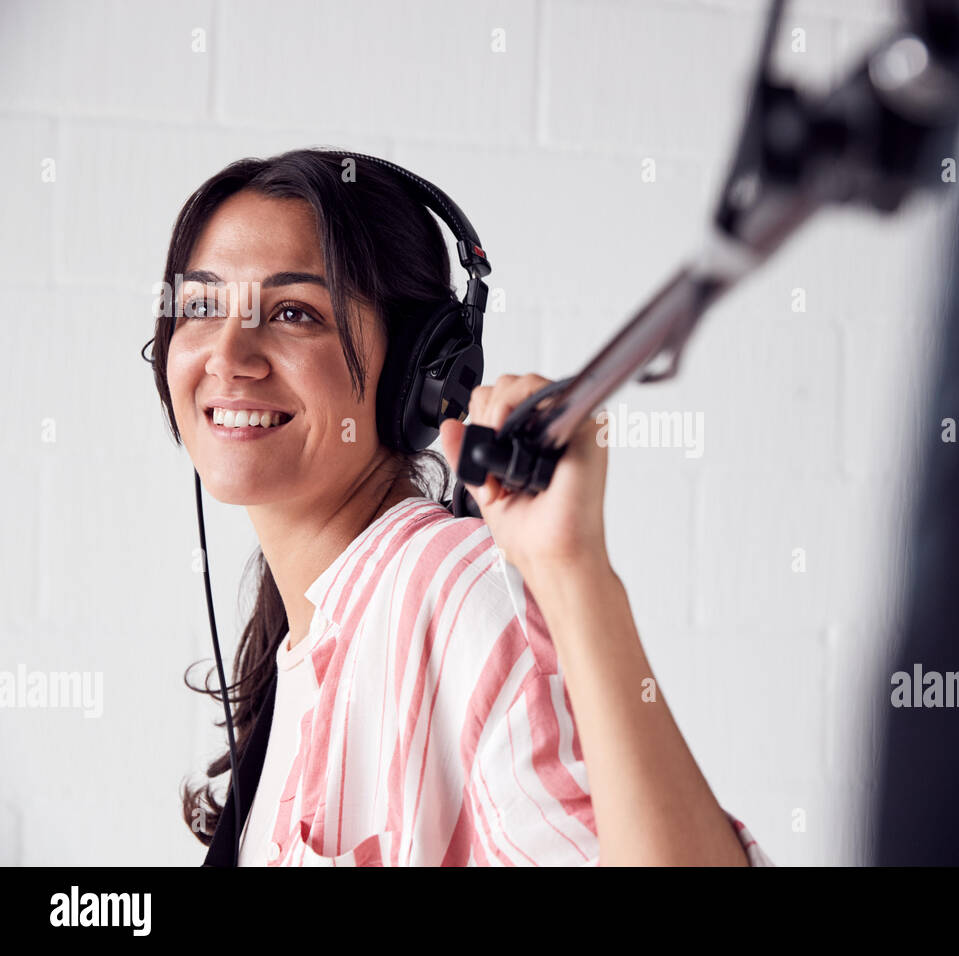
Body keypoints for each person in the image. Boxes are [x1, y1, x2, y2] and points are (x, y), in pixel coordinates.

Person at [149, 148, 773, 866]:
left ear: (416, 373)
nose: (229, 355)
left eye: (294, 312)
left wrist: (574, 571)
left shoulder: (450, 587)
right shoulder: (305, 643)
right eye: (201, 306)